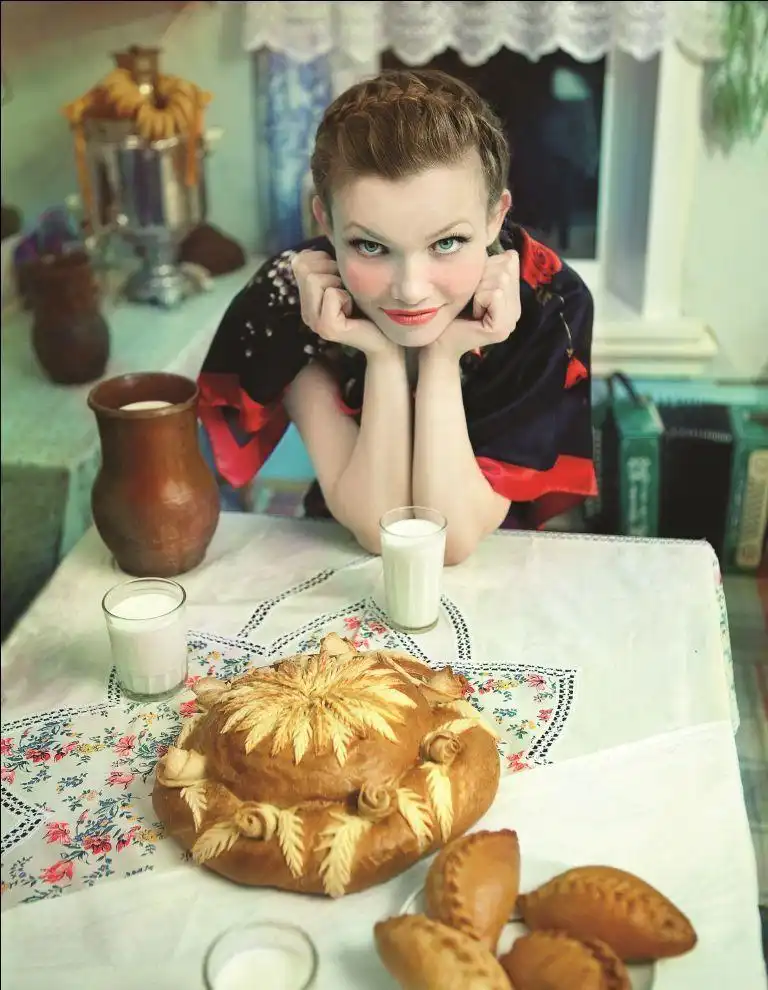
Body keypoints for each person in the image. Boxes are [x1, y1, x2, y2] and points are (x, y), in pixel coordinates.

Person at [198, 69, 596, 564]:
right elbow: (380, 528)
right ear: (325, 223)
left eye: (447, 243)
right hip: (343, 546)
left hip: (495, 560)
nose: (410, 290)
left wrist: (441, 356)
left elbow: (447, 540)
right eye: (370, 246)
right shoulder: (292, 297)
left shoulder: (549, 303)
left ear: (496, 217)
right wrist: (381, 355)